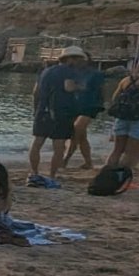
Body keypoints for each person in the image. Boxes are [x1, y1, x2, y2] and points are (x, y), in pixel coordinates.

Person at [28, 46, 85, 187]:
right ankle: (52, 176)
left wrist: (36, 110)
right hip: (61, 113)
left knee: (37, 143)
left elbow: (35, 92)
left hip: (43, 111)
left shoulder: (46, 71)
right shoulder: (70, 71)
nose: (79, 62)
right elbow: (68, 87)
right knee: (59, 147)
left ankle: (34, 173)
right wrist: (80, 87)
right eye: (77, 59)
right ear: (70, 59)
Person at [64, 53, 105, 171]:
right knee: (82, 136)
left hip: (90, 106)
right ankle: (88, 162)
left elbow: (99, 91)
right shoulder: (71, 72)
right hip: (75, 106)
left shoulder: (95, 74)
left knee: (76, 131)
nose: (77, 61)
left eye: (80, 59)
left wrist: (100, 105)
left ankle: (65, 160)